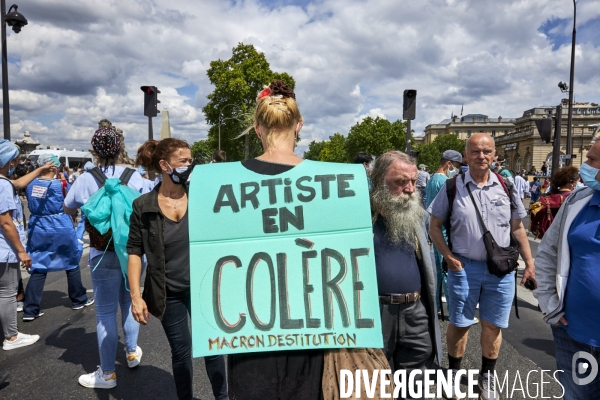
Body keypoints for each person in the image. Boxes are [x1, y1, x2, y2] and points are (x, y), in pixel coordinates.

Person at [225, 81, 323, 400]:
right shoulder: (328, 184)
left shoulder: (225, 186)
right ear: (299, 126)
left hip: (249, 327)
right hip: (310, 322)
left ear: (257, 128)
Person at [429, 133, 535, 400]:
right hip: (464, 268)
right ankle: (453, 373)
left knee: (493, 325)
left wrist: (530, 263)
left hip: (499, 270)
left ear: (494, 154)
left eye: (487, 151)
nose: (481, 156)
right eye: (475, 151)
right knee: (460, 324)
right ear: (466, 155)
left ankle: (486, 377)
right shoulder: (452, 187)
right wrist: (448, 256)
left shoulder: (506, 185)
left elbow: (518, 228)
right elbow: (434, 227)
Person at [128, 138, 227, 400]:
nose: (189, 165)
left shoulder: (201, 196)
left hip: (204, 287)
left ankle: (223, 397)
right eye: (183, 161)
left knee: (214, 347)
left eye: (190, 160)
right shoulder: (143, 206)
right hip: (168, 292)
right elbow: (134, 252)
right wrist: (136, 296)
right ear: (164, 165)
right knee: (181, 353)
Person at [63, 127, 145, 389]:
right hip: (132, 252)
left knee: (106, 312)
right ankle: (131, 352)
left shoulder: (86, 178)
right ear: (121, 148)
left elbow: (68, 206)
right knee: (131, 300)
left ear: (94, 151)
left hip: (101, 253)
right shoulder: (136, 177)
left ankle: (107, 373)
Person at [534, 139, 600, 398]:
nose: (585, 165)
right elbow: (549, 252)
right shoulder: (578, 201)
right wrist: (549, 303)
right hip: (573, 333)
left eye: (593, 160)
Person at [371, 151, 442, 389]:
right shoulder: (360, 217)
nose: (410, 189)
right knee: (371, 383)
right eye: (400, 182)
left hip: (415, 312)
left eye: (412, 181)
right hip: (375, 314)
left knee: (415, 386)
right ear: (379, 181)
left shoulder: (418, 216)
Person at [22, 154, 94, 322]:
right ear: (54, 166)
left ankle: (30, 309)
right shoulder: (61, 184)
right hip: (60, 223)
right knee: (71, 259)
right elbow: (72, 201)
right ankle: (78, 298)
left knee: (38, 263)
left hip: (38, 224)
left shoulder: (30, 184)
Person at [0, 140, 53, 350]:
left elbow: (19, 184)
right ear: (9, 160)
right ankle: (11, 336)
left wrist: (40, 169)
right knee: (7, 292)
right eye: (16, 158)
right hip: (4, 249)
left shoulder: (4, 182)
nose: (18, 162)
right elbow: (5, 222)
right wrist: (21, 252)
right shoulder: (3, 185)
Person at [425, 150, 463, 314]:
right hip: (444, 230)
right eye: (456, 166)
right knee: (449, 269)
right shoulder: (445, 182)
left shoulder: (432, 178)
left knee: (439, 271)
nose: (457, 170)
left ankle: (437, 307)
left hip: (432, 228)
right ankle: (455, 310)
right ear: (449, 163)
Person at [529, 166, 579, 240]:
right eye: (576, 182)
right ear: (571, 183)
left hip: (548, 236)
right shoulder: (574, 197)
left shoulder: (549, 196)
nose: (576, 185)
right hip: (568, 236)